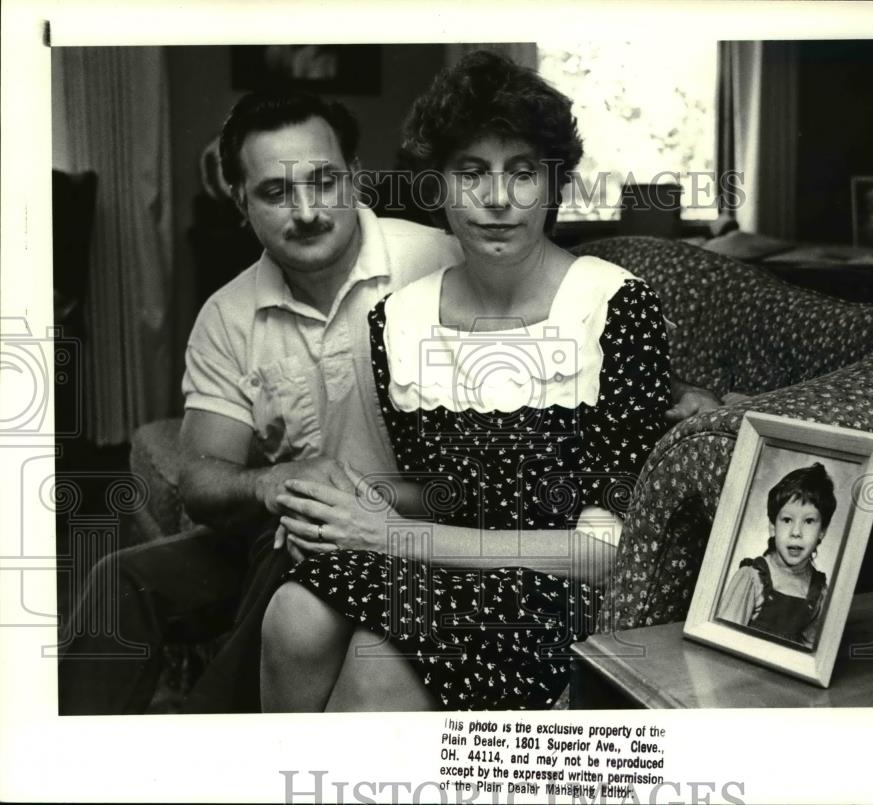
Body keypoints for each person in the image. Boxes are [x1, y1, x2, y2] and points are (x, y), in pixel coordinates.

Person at [258, 51, 710, 712]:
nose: (498, 198)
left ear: (554, 185)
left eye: (522, 172)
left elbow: (616, 552)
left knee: (376, 664)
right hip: (440, 560)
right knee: (292, 614)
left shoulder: (615, 307)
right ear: (437, 186)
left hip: (556, 585)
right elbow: (450, 492)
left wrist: (394, 537)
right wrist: (336, 504)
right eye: (471, 172)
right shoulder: (399, 321)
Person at [57, 90, 462, 714]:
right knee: (119, 580)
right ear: (240, 203)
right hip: (284, 530)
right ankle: (66, 766)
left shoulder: (438, 260)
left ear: (355, 177)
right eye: (275, 192)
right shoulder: (227, 315)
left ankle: (210, 742)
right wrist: (272, 482)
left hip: (417, 525)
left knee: (297, 561)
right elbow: (199, 476)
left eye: (325, 182)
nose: (306, 212)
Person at [716, 462, 835, 649]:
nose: (796, 532)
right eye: (787, 520)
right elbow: (722, 642)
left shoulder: (819, 593)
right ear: (772, 527)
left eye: (809, 521)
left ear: (822, 532)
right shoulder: (751, 578)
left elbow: (813, 654)